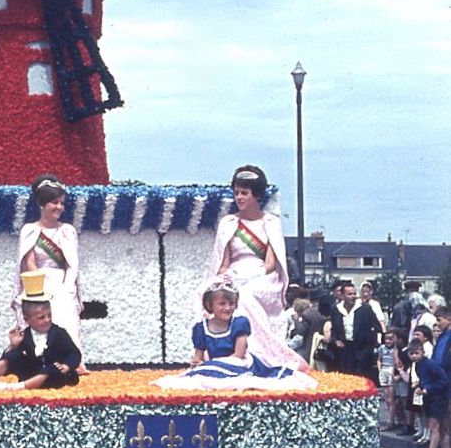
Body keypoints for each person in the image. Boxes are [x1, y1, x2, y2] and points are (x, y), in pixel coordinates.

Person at [206, 165, 307, 371]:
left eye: (244, 193)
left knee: (245, 294)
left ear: (257, 195)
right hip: (235, 272)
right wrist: (221, 279)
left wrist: (249, 277)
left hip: (263, 276)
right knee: (209, 291)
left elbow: (271, 264)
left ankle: (257, 354)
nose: (239, 197)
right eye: (236, 193)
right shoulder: (228, 223)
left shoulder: (270, 223)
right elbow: (223, 263)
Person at [155, 277, 316, 391]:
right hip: (217, 365)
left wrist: (211, 365)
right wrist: (196, 364)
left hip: (240, 363)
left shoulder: (239, 323)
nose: (227, 308)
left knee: (226, 375)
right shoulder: (200, 328)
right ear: (209, 305)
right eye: (222, 304)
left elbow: (238, 356)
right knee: (196, 377)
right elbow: (198, 355)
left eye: (231, 303)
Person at [13, 174, 86, 370]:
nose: (59, 207)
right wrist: (40, 289)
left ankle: (73, 363)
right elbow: (28, 261)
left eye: (62, 203)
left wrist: (67, 286)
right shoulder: (29, 230)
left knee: (66, 314)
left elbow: (72, 264)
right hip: (39, 282)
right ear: (42, 204)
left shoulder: (67, 230)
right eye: (54, 202)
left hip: (63, 281)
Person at [0, 276, 80, 391]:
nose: (47, 320)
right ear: (27, 319)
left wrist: (67, 366)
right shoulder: (25, 335)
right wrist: (13, 346)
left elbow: (74, 353)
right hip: (32, 374)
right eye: (41, 317)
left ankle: (13, 388)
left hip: (54, 376)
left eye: (49, 315)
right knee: (13, 354)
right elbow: (10, 359)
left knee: (51, 368)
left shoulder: (59, 333)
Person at [409, 339, 451, 448]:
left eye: (417, 353)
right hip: (429, 398)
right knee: (442, 429)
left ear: (423, 352)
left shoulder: (430, 365)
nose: (414, 356)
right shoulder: (418, 366)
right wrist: (420, 386)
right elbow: (425, 380)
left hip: (437, 399)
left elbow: (443, 380)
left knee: (434, 428)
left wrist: (428, 389)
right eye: (411, 354)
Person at [329, 283, 380, 380]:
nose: (353, 297)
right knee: (345, 377)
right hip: (344, 350)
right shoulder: (336, 309)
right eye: (349, 294)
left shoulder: (364, 308)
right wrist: (335, 340)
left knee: (360, 377)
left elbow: (375, 326)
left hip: (361, 349)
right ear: (343, 295)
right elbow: (334, 329)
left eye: (354, 294)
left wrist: (370, 346)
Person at [377, 330, 401, 430]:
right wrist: (380, 370)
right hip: (383, 370)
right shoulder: (381, 348)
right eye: (386, 338)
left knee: (391, 399)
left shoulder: (396, 350)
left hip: (391, 370)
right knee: (386, 399)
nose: (388, 341)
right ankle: (393, 418)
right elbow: (379, 359)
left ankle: (390, 422)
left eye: (391, 339)